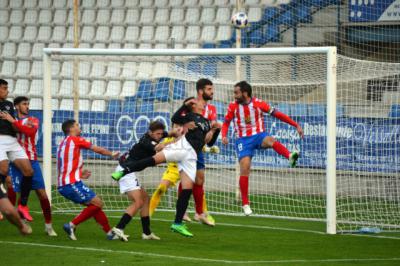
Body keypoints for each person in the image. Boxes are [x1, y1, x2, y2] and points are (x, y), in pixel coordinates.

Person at [112, 98, 221, 237]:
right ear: (193, 106)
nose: (201, 103)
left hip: (192, 156)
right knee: (153, 160)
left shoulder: (206, 122)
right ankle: (124, 171)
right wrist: (185, 106)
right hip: (183, 147)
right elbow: (175, 117)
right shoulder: (190, 116)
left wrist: (216, 129)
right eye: (197, 102)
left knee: (187, 188)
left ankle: (177, 223)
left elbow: (209, 142)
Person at [221, 81, 304, 216]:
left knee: (271, 140)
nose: (234, 95)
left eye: (237, 92)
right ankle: (245, 204)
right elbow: (225, 123)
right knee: (245, 167)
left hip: (259, 135)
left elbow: (278, 114)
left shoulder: (259, 104)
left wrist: (295, 124)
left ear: (245, 93)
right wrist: (223, 135)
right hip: (243, 140)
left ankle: (289, 156)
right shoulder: (232, 107)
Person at [57, 119, 119, 240]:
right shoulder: (75, 140)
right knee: (98, 203)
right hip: (70, 184)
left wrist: (79, 173)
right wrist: (112, 154)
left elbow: (64, 166)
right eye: (77, 125)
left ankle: (109, 233)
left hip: (68, 182)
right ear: (71, 129)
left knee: (95, 205)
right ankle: (71, 225)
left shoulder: (63, 143)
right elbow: (97, 149)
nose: (79, 127)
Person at [5, 96, 57, 236]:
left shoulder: (32, 120)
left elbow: (30, 132)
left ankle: (48, 225)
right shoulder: (9, 122)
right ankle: (19, 219)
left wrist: (13, 122)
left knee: (42, 194)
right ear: (16, 106)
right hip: (15, 161)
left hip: (32, 160)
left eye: (28, 104)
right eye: (24, 104)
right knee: (13, 188)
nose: (27, 106)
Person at [109, 121, 168, 241]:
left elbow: (168, 133)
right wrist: (173, 143)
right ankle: (119, 228)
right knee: (138, 202)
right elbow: (157, 147)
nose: (159, 136)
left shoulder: (155, 135)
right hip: (125, 171)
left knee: (146, 199)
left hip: (130, 171)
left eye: (161, 134)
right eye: (157, 134)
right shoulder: (146, 141)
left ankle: (146, 233)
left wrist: (177, 132)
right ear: (150, 132)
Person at [0, 79, 35, 221]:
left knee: (28, 171)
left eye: (7, 88)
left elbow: (14, 125)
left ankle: (22, 205)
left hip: (12, 140)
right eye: (4, 88)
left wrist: (12, 121)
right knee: (3, 171)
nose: (7, 90)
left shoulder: (8, 105)